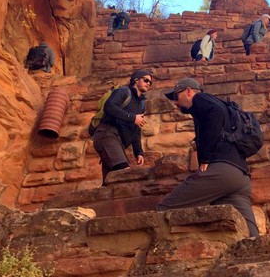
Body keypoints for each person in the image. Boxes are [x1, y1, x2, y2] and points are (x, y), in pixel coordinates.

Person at [157, 78, 260, 237]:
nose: (175, 103)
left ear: (189, 91)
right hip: (240, 178)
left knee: (164, 208)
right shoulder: (223, 108)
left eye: (176, 97)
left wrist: (204, 159)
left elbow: (215, 111)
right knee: (249, 234)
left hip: (221, 172)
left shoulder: (200, 99)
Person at [92, 69, 151, 183]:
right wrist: (132, 117)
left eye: (150, 82)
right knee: (124, 173)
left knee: (112, 183)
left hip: (118, 143)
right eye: (146, 80)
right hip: (107, 135)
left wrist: (138, 152)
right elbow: (109, 106)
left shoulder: (141, 104)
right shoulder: (124, 91)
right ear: (136, 80)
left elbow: (135, 129)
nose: (148, 83)